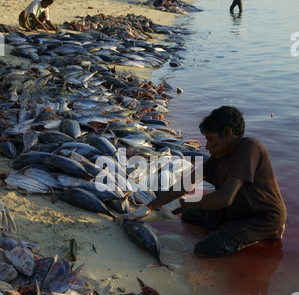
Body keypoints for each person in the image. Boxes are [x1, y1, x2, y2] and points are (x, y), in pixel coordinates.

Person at [116, 106, 287, 258]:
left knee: (204, 250)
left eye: (211, 139)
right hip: (235, 211)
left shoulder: (250, 148)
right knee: (188, 214)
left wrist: (182, 202)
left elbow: (225, 198)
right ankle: (231, 228)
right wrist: (148, 207)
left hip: (262, 216)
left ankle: (268, 232)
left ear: (227, 133)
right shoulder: (218, 158)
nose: (207, 146)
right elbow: (186, 183)